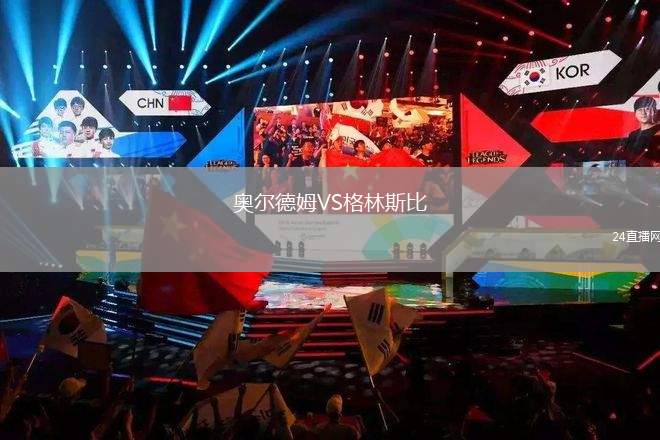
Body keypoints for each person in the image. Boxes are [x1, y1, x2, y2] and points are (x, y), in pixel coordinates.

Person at [621, 96, 659, 165]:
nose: (643, 113)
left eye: (647, 109)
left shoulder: (658, 131)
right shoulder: (633, 134)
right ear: (635, 113)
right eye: (640, 110)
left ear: (654, 111)